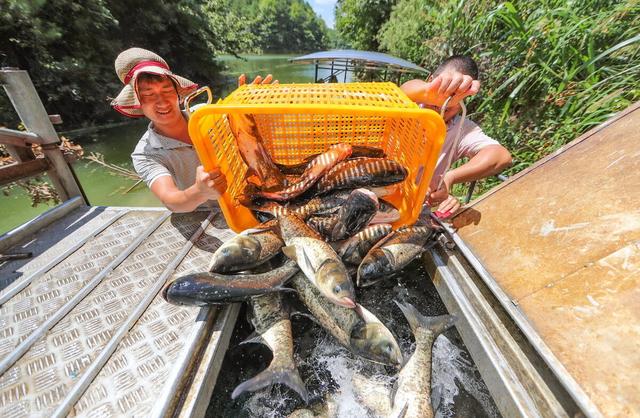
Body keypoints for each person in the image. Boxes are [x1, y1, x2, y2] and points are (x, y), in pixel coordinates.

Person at [111, 47, 234, 212]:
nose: (162, 102)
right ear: (139, 103)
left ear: (178, 93)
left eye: (167, 90)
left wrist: (251, 102)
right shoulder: (146, 153)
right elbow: (172, 201)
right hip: (208, 215)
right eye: (149, 95)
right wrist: (200, 191)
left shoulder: (207, 115)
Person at [400, 55, 512, 219]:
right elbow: (405, 89)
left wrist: (448, 178)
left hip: (410, 211)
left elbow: (502, 156)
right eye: (441, 87)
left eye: (454, 95)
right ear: (430, 80)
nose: (443, 100)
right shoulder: (407, 104)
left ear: (464, 99)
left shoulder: (462, 128)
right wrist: (428, 92)